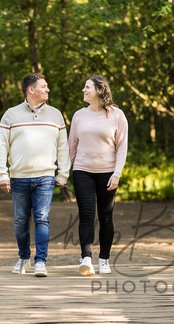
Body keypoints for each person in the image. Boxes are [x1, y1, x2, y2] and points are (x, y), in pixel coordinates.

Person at [0, 73, 70, 277]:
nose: (48, 89)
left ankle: (40, 262)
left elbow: (63, 147)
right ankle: (23, 257)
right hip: (18, 177)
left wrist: (63, 173)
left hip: (45, 176)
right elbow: (1, 145)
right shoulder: (10, 114)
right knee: (20, 219)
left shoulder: (55, 115)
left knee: (42, 218)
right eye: (44, 86)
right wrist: (2, 173)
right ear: (31, 89)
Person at [68, 75, 128, 276]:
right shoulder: (78, 116)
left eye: (87, 87)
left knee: (106, 217)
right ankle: (86, 259)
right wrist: (62, 173)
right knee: (86, 214)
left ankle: (104, 259)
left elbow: (122, 147)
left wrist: (117, 174)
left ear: (99, 91)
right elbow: (72, 146)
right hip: (82, 170)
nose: (83, 90)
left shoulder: (117, 115)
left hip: (108, 173)